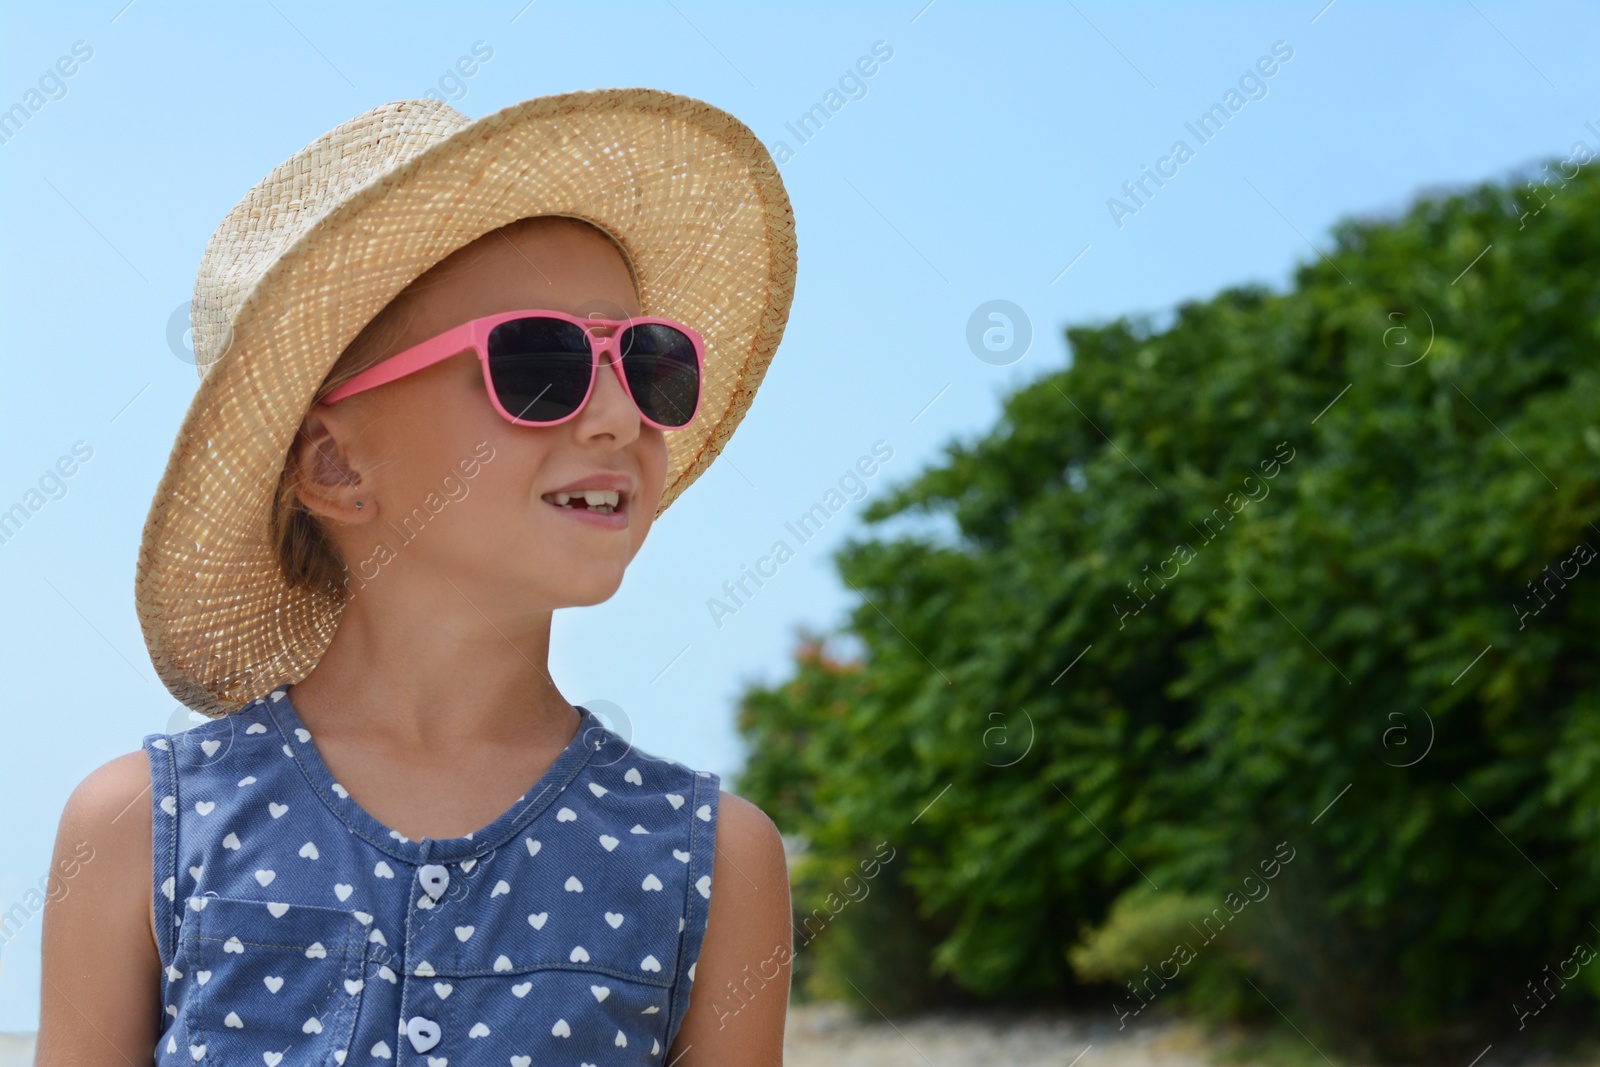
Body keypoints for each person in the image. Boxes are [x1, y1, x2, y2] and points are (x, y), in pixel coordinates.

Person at [37, 89, 798, 1066]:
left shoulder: (714, 859)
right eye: (539, 361)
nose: (618, 414)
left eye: (646, 362)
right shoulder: (141, 826)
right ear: (335, 466)